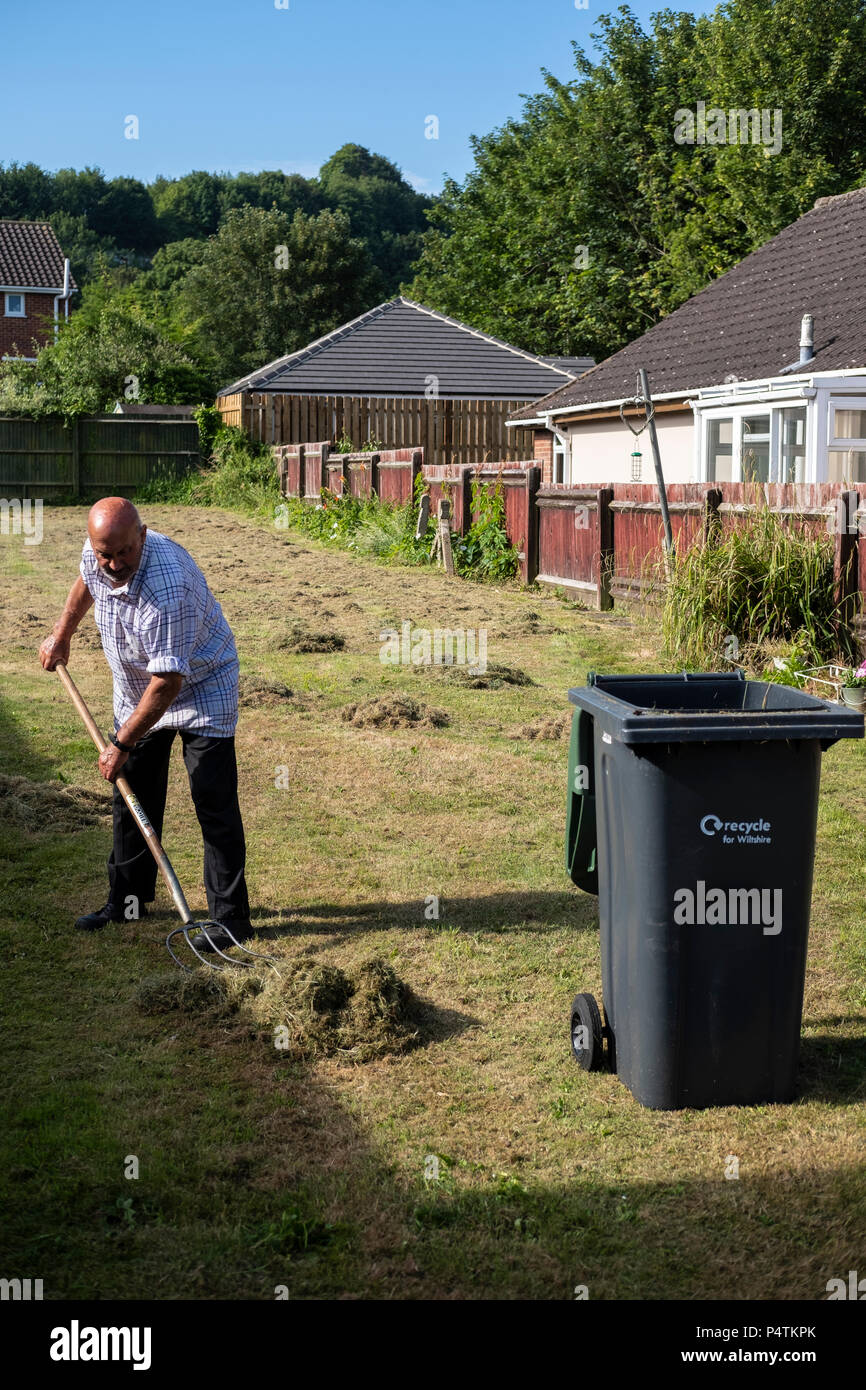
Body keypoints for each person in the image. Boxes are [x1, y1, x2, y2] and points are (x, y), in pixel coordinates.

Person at [40, 497, 252, 954]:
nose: (113, 563)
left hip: (199, 684)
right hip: (138, 688)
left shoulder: (165, 587)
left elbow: (168, 683)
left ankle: (232, 920)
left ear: (142, 535)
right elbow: (86, 581)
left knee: (212, 799)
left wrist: (120, 742)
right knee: (133, 795)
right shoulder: (98, 553)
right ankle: (128, 903)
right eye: (105, 553)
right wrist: (63, 632)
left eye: (124, 552)